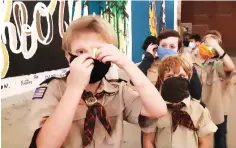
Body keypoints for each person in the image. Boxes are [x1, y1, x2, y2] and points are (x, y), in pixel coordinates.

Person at [27, 15, 167, 148]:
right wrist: (74, 89)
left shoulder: (118, 90)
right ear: (69, 56)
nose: (90, 58)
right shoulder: (53, 89)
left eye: (97, 50)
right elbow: (44, 145)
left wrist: (127, 64)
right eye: (81, 52)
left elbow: (158, 109)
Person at [142, 55, 217, 148]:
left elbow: (205, 142)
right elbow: (148, 140)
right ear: (162, 80)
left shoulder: (199, 109)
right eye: (170, 76)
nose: (176, 80)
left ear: (188, 78)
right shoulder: (155, 110)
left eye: (182, 76)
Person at [191, 30, 236, 148]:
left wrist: (216, 46)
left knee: (220, 135)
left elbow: (230, 67)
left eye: (213, 44)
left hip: (217, 107)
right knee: (196, 137)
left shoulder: (217, 64)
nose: (209, 46)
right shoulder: (193, 60)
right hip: (196, 108)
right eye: (206, 42)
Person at [138, 30, 202, 100]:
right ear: (157, 47)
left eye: (172, 47)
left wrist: (190, 67)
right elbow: (133, 85)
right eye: (163, 46)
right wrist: (148, 59)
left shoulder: (185, 67)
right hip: (152, 107)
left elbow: (196, 95)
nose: (167, 49)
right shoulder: (149, 64)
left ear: (178, 50)